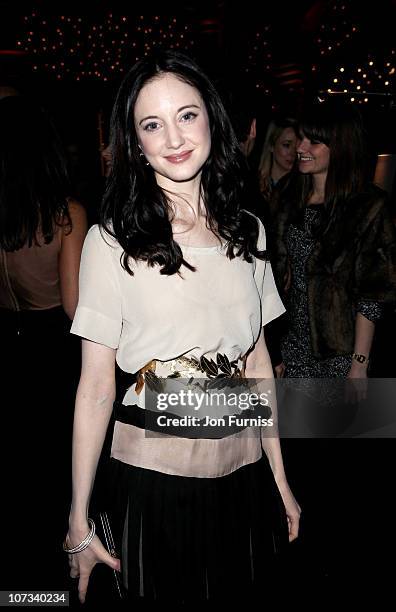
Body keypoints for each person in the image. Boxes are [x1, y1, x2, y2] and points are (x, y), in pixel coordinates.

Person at [64, 50, 300, 606]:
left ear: (213, 121)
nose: (173, 137)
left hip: (243, 476)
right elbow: (96, 386)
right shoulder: (110, 241)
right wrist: (78, 518)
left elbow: (259, 364)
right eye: (152, 124)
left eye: (187, 115)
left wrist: (281, 480)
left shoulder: (249, 231)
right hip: (153, 484)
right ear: (136, 144)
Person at [0, 95, 87, 589]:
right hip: (48, 354)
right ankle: (52, 592)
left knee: (14, 483)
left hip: (5, 347)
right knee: (54, 482)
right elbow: (75, 308)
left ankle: (19, 592)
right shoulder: (64, 215)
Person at [268, 100, 396, 380]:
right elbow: (273, 277)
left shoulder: (368, 207)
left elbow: (372, 295)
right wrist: (273, 349)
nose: (301, 148)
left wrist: (359, 364)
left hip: (340, 354)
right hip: (290, 347)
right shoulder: (288, 197)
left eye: (313, 141)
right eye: (301, 138)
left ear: (340, 147)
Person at [258, 116, 299, 202]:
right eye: (286, 145)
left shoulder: (301, 189)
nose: (293, 153)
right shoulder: (253, 183)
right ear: (271, 145)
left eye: (297, 147)